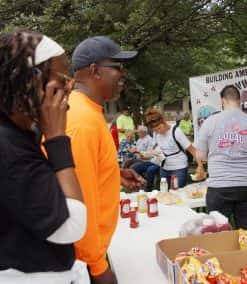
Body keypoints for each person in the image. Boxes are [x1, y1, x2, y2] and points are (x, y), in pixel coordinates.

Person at [0, 30, 87, 283]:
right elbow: (70, 227)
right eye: (62, 81)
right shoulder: (8, 146)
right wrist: (57, 139)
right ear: (32, 80)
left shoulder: (19, 134)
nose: (68, 89)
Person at [70, 36, 145, 284]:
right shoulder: (81, 120)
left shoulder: (89, 112)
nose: (123, 74)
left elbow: (85, 172)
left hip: (90, 253)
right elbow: (78, 206)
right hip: (82, 261)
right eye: (117, 66)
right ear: (94, 71)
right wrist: (99, 268)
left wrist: (115, 172)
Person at [196, 85, 247, 230]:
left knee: (218, 230)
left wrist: (219, 155)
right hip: (245, 185)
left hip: (219, 185)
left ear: (222, 101)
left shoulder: (210, 122)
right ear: (239, 100)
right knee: (245, 229)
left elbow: (201, 155)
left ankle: (222, 252)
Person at [145, 108, 205, 188]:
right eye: (155, 131)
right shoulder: (156, 133)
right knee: (165, 193)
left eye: (159, 128)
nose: (159, 132)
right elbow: (156, 146)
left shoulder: (176, 131)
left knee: (177, 193)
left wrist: (200, 165)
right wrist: (153, 153)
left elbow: (193, 150)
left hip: (179, 168)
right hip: (164, 168)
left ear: (163, 121)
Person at [131, 125, 160, 191]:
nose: (138, 134)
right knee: (132, 167)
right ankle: (140, 184)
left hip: (154, 161)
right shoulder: (140, 139)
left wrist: (138, 152)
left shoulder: (149, 140)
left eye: (139, 132)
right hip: (148, 159)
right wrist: (135, 151)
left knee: (150, 169)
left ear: (144, 132)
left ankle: (148, 188)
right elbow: (149, 153)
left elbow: (149, 155)